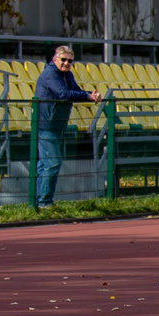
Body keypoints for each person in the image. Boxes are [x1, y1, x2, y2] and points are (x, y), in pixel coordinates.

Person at [31, 45, 102, 209]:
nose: (66, 63)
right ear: (55, 59)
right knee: (52, 163)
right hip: (45, 124)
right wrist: (87, 96)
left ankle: (37, 202)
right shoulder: (50, 74)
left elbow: (75, 91)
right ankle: (44, 202)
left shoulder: (67, 74)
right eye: (63, 59)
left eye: (70, 60)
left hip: (57, 124)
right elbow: (62, 94)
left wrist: (90, 95)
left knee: (44, 165)